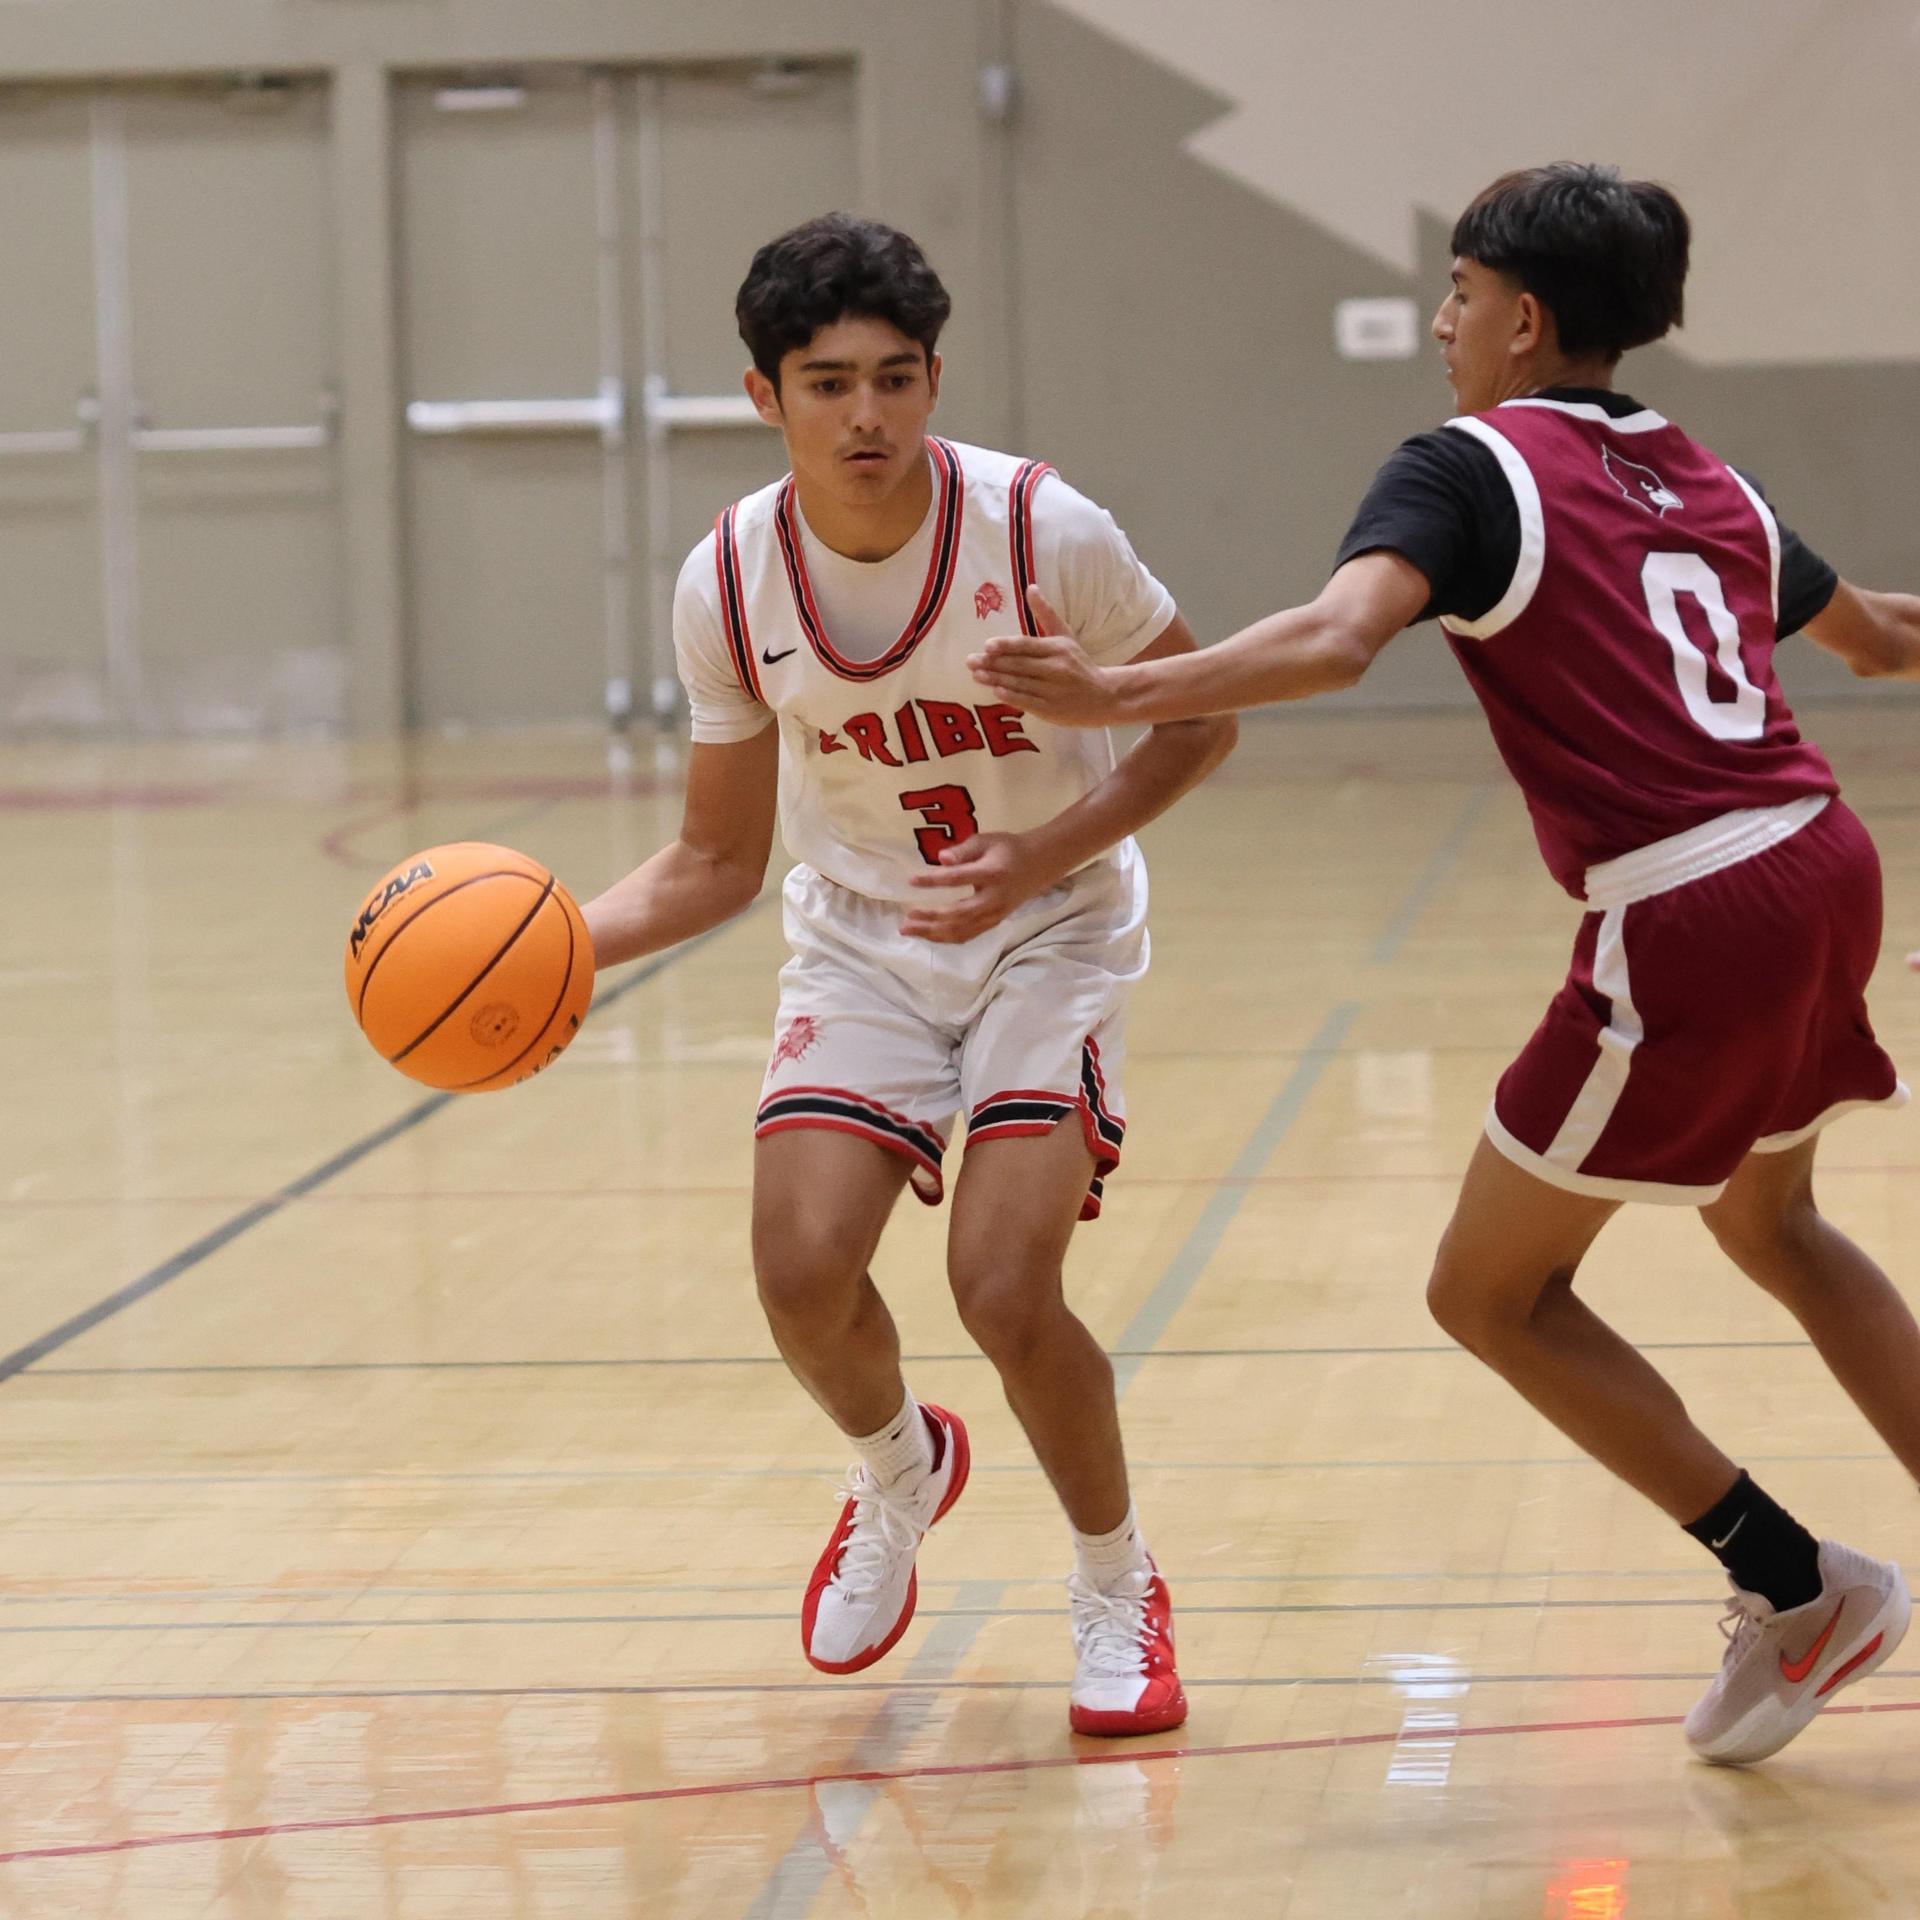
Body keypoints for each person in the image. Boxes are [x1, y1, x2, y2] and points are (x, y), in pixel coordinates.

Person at [972, 163, 1920, 1767]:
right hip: (1826, 862)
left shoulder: (1465, 466)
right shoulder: (1706, 474)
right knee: (1777, 1222)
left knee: (1490, 1292)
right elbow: (1884, 641)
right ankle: (1806, 1584)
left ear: (1524, 320)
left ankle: (1799, 1587)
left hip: (1689, 908)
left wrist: (1112, 695)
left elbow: (1338, 639)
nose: (1442, 324)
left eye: (1461, 293)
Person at [584, 214, 1234, 1735]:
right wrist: (556, 948)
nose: (866, 415)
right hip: (865, 937)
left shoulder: (1042, 531)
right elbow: (716, 859)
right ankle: (901, 1469)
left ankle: (1116, 1580)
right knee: (800, 1276)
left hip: (1050, 924)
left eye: (894, 378)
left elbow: (1199, 719)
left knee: (1002, 1284)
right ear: (767, 396)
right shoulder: (730, 580)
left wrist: (1042, 848)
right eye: (828, 385)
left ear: (935, 378)